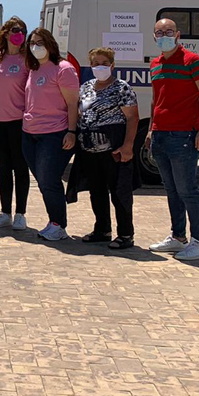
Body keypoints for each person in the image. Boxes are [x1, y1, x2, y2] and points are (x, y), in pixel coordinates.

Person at [147, 17, 199, 261]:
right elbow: (156, 100)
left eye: (169, 31)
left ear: (178, 35)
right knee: (172, 189)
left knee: (188, 190)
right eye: (159, 32)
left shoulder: (194, 61)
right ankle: (178, 237)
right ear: (154, 36)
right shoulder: (155, 63)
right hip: (160, 134)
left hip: (184, 136)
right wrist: (150, 130)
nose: (164, 35)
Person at [67, 48, 139, 249]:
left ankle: (125, 234)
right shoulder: (86, 87)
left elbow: (132, 117)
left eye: (104, 63)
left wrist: (128, 145)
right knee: (96, 190)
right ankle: (102, 229)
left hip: (114, 146)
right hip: (89, 147)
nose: (100, 66)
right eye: (96, 63)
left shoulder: (121, 88)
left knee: (119, 191)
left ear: (112, 65)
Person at [22, 28, 80, 241]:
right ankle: (53, 220)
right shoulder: (34, 68)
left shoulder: (63, 69)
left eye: (40, 42)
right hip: (30, 133)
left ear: (50, 44)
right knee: (43, 180)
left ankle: (58, 224)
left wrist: (71, 132)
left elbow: (73, 103)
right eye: (32, 43)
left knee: (49, 179)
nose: (36, 47)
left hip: (55, 133)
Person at [0, 17, 31, 230]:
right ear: (5, 33)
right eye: (14, 30)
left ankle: (20, 213)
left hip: (18, 121)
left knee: (20, 168)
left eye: (22, 30)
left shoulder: (27, 60)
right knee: (3, 168)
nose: (18, 33)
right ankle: (5, 212)